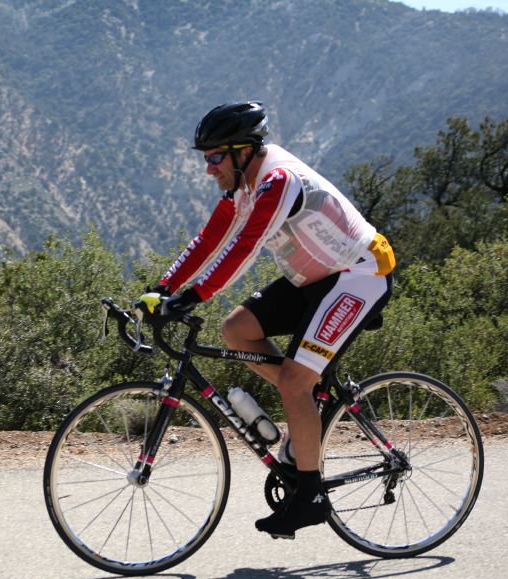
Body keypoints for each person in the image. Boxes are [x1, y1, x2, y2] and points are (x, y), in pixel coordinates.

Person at [152, 101, 395, 539]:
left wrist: (193, 296)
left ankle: (311, 496)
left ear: (243, 151)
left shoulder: (278, 182)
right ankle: (307, 408)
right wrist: (163, 289)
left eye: (214, 157)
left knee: (293, 383)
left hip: (358, 276)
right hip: (316, 279)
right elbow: (208, 239)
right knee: (236, 330)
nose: (209, 168)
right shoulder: (242, 187)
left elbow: (244, 247)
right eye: (206, 158)